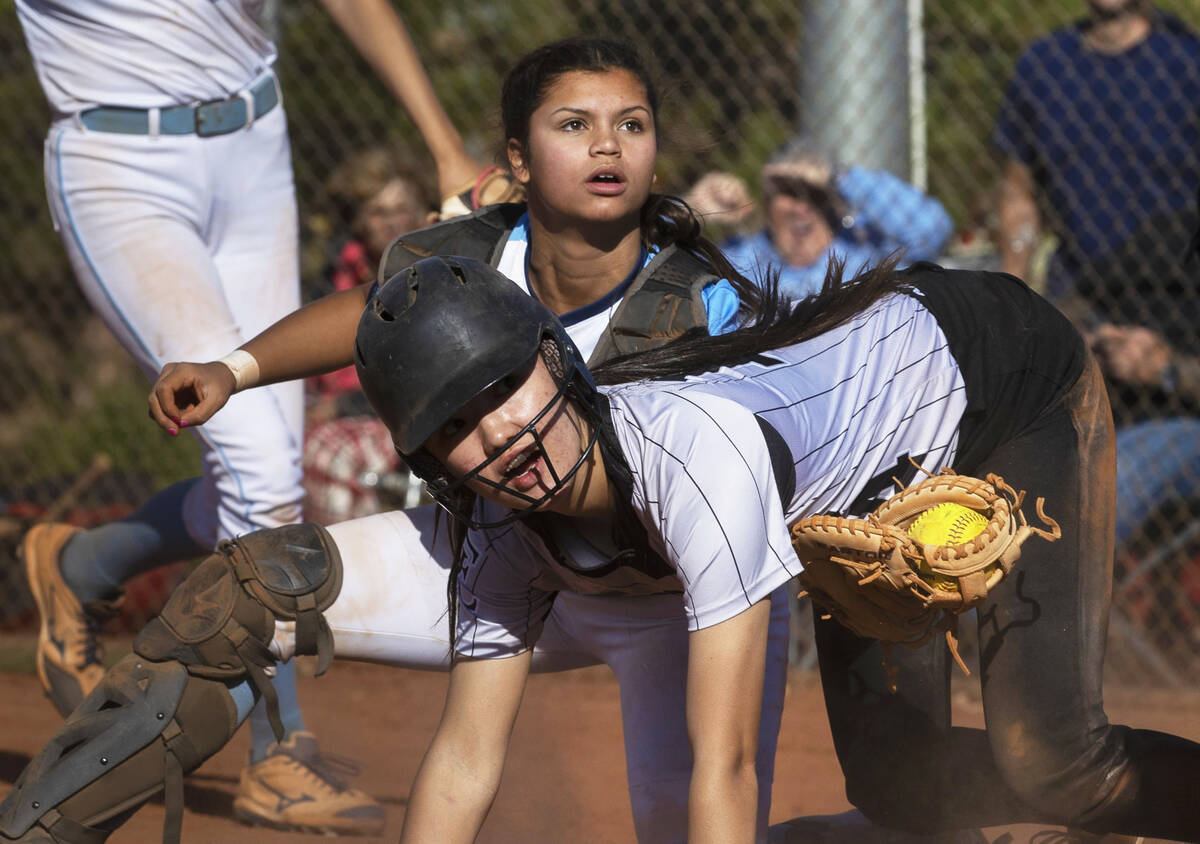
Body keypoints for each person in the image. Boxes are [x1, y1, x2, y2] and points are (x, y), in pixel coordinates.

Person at [0, 38, 791, 844]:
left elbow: (768, 468)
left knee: (690, 813)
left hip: (670, 600)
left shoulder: (709, 304)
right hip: (501, 563)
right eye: (573, 124)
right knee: (253, 593)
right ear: (517, 158)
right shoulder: (468, 259)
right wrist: (234, 369)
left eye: (632, 124)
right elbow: (370, 313)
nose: (606, 145)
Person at [370, 255, 1200, 843]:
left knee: (1053, 758)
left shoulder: (692, 461)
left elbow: (724, 766)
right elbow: (462, 762)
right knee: (891, 781)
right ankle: (1093, 823)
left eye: (504, 388)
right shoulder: (499, 536)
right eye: (452, 427)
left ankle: (1096, 801)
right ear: (430, 463)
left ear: (555, 358)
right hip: (865, 466)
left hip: (1001, 372)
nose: (497, 435)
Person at [11, 0, 503, 835]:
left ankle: (85, 562)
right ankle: (277, 751)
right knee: (260, 471)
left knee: (260, 473)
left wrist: (444, 145)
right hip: (119, 164)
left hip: (253, 144)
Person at [992, 0, 1200, 549]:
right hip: (1085, 326)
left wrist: (1169, 367)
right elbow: (1017, 194)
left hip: (1179, 362)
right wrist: (1026, 316)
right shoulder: (1045, 66)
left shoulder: (1187, 64)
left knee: (1099, 492)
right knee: (993, 482)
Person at [692, 137, 952, 301]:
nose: (802, 207)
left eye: (815, 193)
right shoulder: (742, 258)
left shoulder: (864, 252)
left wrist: (840, 177)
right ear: (768, 204)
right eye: (789, 191)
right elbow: (660, 265)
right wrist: (691, 210)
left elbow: (933, 230)